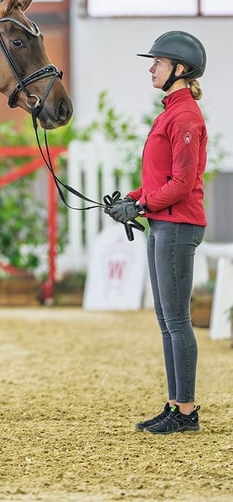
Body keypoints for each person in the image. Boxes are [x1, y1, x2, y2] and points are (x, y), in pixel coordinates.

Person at [105, 30, 207, 434]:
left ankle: (185, 412)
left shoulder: (183, 117)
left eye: (158, 63)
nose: (151, 68)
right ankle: (175, 405)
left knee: (177, 320)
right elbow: (160, 178)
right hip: (164, 223)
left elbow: (181, 184)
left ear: (178, 70)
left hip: (178, 225)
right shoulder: (169, 112)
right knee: (166, 319)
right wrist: (130, 199)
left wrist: (142, 205)